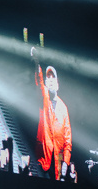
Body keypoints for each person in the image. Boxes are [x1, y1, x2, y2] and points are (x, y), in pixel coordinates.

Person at [31, 48, 72, 180]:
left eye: (52, 77)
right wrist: (37, 61)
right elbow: (39, 81)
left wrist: (65, 162)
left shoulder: (63, 108)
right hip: (43, 163)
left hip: (58, 166)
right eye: (48, 77)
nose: (50, 79)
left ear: (58, 84)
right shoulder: (44, 99)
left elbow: (68, 140)